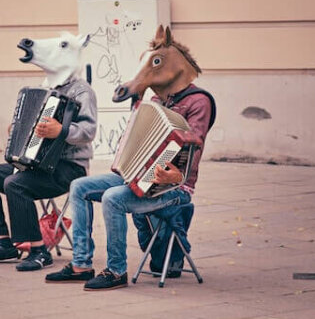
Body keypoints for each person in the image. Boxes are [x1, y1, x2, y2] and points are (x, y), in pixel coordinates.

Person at [45, 25, 214, 290]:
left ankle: (116, 270)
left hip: (175, 187)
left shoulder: (199, 101)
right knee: (79, 187)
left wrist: (174, 176)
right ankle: (81, 263)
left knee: (113, 199)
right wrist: (138, 103)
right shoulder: (156, 102)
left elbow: (194, 146)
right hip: (136, 178)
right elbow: (136, 138)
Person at [0, 76, 97, 272]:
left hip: (69, 167)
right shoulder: (45, 87)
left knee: (15, 183)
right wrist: (19, 129)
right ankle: (3, 244)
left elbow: (88, 131)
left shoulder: (82, 90)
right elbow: (32, 124)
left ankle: (39, 251)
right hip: (38, 163)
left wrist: (61, 131)